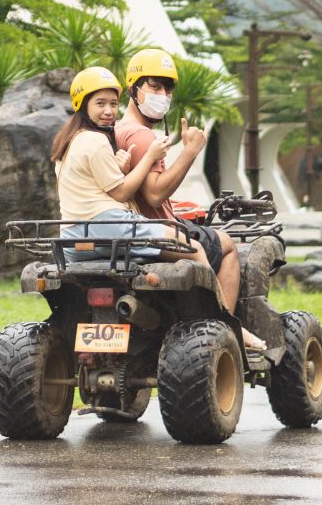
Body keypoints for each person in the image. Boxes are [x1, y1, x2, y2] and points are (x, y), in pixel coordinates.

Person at [54, 62, 255, 341]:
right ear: (83, 105)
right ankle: (225, 327)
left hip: (73, 237)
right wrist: (153, 155)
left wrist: (122, 168)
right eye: (100, 103)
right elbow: (128, 194)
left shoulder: (70, 142)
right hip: (110, 227)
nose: (109, 110)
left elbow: (101, 186)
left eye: (113, 103)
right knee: (194, 248)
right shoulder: (100, 140)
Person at [111, 48, 250, 325]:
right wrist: (190, 151)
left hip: (126, 228)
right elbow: (154, 194)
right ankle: (227, 329)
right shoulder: (140, 133)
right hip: (156, 231)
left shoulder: (116, 129)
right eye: (154, 86)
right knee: (226, 244)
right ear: (133, 89)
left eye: (168, 89)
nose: (162, 95)